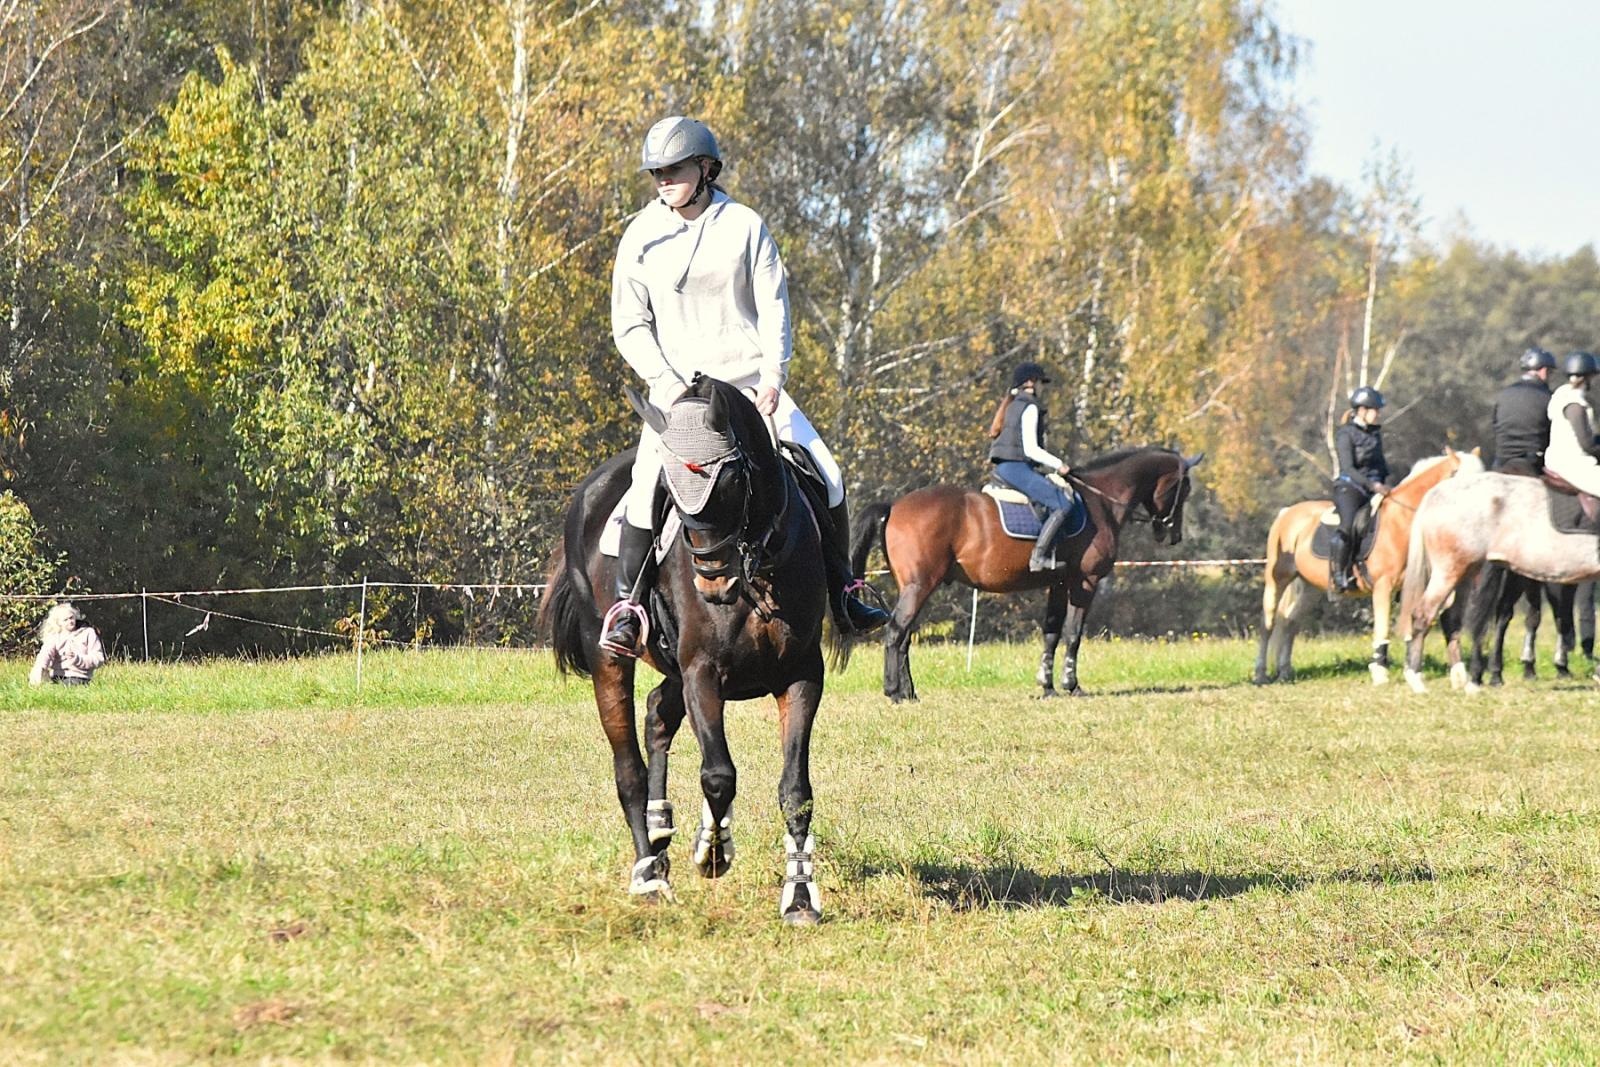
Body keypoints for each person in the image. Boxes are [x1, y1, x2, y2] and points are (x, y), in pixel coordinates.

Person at [601, 116, 890, 657]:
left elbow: (775, 307)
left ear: (706, 168)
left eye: (674, 169)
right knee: (644, 485)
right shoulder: (639, 235)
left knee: (827, 471)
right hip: (677, 395)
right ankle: (628, 608)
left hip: (750, 385)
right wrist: (663, 381)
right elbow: (629, 324)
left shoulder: (744, 226)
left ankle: (845, 593)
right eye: (656, 172)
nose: (663, 179)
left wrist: (775, 377)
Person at [987, 361, 1077, 572]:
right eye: (1040, 383)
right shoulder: (1029, 407)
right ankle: (1038, 557)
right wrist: (1059, 464)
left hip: (1007, 466)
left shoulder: (1012, 404)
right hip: (1016, 467)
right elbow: (1031, 449)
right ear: (1030, 383)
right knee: (1063, 504)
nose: (1042, 388)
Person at [1329, 385, 1391, 593]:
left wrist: (1389, 483)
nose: (1379, 414)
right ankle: (1339, 575)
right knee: (1348, 526)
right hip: (1351, 487)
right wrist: (1372, 485)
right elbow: (1348, 468)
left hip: (1375, 488)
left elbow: (1381, 465)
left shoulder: (1375, 435)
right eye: (1376, 410)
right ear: (1363, 411)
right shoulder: (1346, 435)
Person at [1490, 346, 1555, 473]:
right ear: (1544, 370)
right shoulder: (1549, 397)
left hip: (1501, 461)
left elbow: (1495, 425)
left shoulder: (1503, 394)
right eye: (1550, 372)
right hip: (1534, 463)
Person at [1543, 351, 1600, 496]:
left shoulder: (1563, 395)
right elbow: (1587, 444)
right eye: (1593, 377)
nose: (1594, 381)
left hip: (1561, 460)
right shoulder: (1575, 404)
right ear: (1586, 377)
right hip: (1573, 464)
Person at [28, 602, 105, 686]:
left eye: (71, 618)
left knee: (62, 688)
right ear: (58, 622)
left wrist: (78, 660)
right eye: (66, 620)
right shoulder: (54, 636)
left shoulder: (88, 633)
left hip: (79, 677)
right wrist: (40, 668)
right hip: (56, 676)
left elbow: (98, 659)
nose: (70, 621)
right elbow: (45, 654)